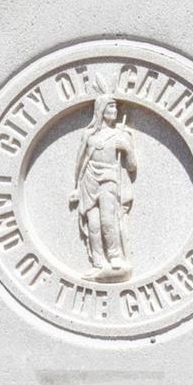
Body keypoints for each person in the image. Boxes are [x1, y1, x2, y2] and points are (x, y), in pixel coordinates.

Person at [69, 93, 137, 282]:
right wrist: (76, 187)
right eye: (110, 107)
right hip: (89, 181)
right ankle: (99, 263)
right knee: (94, 224)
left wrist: (127, 149)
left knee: (108, 220)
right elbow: (80, 162)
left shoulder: (122, 135)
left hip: (109, 179)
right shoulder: (89, 135)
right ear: (100, 110)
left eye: (115, 107)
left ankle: (115, 257)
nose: (114, 111)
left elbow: (132, 166)